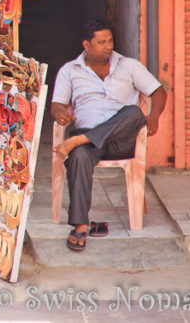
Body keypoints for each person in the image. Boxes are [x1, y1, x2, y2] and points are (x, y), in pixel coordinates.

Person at [52, 18, 167, 251]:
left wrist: (153, 116)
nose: (108, 46)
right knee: (79, 157)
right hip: (89, 142)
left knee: (134, 112)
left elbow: (158, 91)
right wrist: (59, 116)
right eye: (102, 42)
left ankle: (81, 140)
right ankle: (81, 226)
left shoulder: (129, 65)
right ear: (87, 45)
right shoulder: (70, 71)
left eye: (110, 40)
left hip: (121, 140)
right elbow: (57, 105)